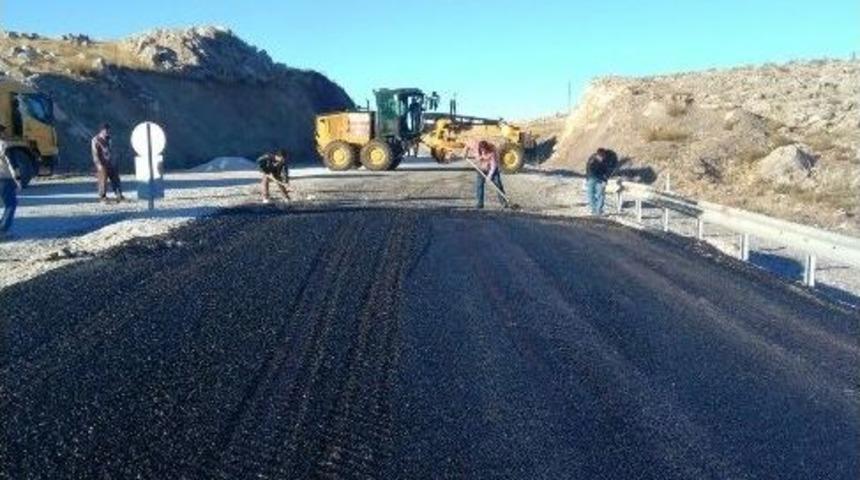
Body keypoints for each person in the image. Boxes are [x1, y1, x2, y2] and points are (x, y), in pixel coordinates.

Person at [465, 140, 508, 209]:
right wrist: (465, 153)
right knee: (479, 185)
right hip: (481, 168)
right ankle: (480, 204)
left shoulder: (492, 152)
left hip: (491, 169)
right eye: (482, 150)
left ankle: (504, 202)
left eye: (485, 150)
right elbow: (467, 144)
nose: (483, 152)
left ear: (487, 148)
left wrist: (489, 176)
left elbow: (493, 166)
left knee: (498, 184)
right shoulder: (475, 146)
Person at [91, 123, 124, 202]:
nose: (107, 132)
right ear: (101, 130)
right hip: (101, 163)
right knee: (103, 179)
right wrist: (98, 164)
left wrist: (114, 160)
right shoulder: (96, 140)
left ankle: (119, 194)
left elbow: (113, 150)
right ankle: (102, 196)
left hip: (110, 162)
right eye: (105, 130)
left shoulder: (109, 138)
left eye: (108, 130)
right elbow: (94, 153)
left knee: (115, 178)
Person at [0, 125, 21, 239]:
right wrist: (17, 179)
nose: (5, 133)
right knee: (11, 204)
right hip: (5, 178)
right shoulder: (5, 146)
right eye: (3, 131)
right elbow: (12, 164)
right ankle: (3, 231)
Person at [585, 148, 613, 216]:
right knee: (590, 194)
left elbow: (607, 172)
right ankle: (594, 209)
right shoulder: (592, 161)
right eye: (601, 156)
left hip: (600, 179)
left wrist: (605, 180)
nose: (602, 158)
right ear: (597, 155)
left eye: (603, 156)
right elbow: (590, 170)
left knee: (601, 194)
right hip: (592, 179)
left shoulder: (605, 162)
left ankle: (599, 210)